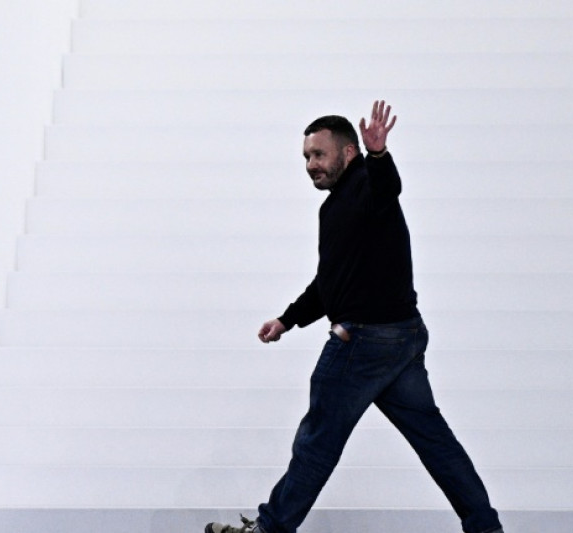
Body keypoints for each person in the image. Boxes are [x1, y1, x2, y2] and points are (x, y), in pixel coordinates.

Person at [205, 101, 504, 533]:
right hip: (401, 339)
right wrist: (287, 320)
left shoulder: (366, 185)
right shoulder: (334, 207)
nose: (311, 165)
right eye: (306, 157)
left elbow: (388, 188)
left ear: (348, 152)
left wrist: (378, 154)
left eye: (319, 154)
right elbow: (330, 282)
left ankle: (269, 529)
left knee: (317, 443)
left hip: (364, 342)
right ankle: (486, 528)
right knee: (435, 442)